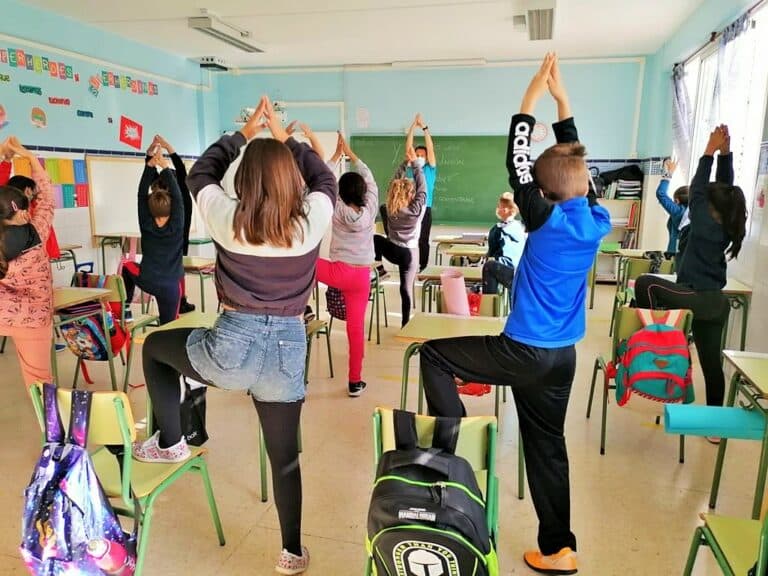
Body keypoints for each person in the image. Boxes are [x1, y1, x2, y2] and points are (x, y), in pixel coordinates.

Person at [417, 53, 611, 575]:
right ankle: (559, 549)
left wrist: (532, 96)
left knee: (433, 356)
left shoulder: (545, 218)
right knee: (548, 448)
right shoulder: (595, 218)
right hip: (562, 358)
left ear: (540, 196)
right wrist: (562, 103)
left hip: (522, 350)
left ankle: (452, 456)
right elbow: (573, 170)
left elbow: (517, 160)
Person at [132, 96, 336, 575]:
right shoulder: (309, 221)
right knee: (284, 457)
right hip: (287, 350)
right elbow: (325, 179)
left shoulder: (228, 218)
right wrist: (286, 139)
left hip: (230, 348)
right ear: (290, 177)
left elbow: (201, 172)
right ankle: (291, 552)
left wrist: (244, 134)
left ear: (243, 180)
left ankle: (171, 440)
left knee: (156, 347)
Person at [635, 125, 747, 420]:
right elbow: (723, 188)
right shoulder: (726, 222)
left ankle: (656, 340)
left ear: (710, 208)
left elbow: (698, 188)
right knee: (711, 365)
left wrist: (709, 151)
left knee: (645, 284)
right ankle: (715, 424)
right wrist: (725, 155)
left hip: (695, 296)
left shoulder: (702, 221)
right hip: (715, 302)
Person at [318, 132, 378, 397]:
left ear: (340, 192)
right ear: (363, 192)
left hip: (338, 272)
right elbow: (370, 177)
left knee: (300, 263)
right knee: (355, 330)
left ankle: (299, 308)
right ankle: (355, 382)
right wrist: (352, 155)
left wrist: (335, 156)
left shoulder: (336, 207)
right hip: (362, 276)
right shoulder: (371, 207)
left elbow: (323, 180)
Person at [0, 136, 55, 386]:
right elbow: (47, 200)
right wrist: (30, 157)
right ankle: (48, 414)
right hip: (33, 321)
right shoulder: (37, 231)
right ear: (23, 212)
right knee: (40, 382)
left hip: (3, 314)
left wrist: (3, 159)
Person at [121, 148, 185, 325]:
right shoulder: (177, 224)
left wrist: (149, 166)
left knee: (126, 266)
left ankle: (125, 308)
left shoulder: (146, 223)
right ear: (172, 208)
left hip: (147, 281)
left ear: (150, 209)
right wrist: (165, 166)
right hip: (171, 287)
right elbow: (178, 197)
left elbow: (141, 194)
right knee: (168, 327)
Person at [373, 147, 426, 327]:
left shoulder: (390, 207)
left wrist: (405, 163)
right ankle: (405, 323)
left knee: (376, 239)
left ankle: (379, 267)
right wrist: (416, 165)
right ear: (411, 195)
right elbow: (423, 188)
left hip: (393, 251)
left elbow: (393, 184)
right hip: (409, 255)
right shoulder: (415, 210)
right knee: (406, 288)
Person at [148, 135, 196, 314]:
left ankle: (173, 300)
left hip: (161, 247)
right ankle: (180, 301)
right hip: (180, 244)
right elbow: (181, 169)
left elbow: (149, 175)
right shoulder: (181, 202)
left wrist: (151, 154)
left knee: (167, 271)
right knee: (178, 271)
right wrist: (168, 147)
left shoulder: (156, 201)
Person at [407, 113, 437, 271]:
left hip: (426, 208)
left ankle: (423, 266)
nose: (419, 157)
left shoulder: (430, 168)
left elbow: (430, 148)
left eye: (422, 155)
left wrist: (424, 127)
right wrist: (413, 126)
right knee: (410, 239)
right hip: (411, 208)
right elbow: (408, 147)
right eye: (417, 155)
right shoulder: (411, 168)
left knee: (423, 239)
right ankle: (411, 264)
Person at [482, 192, 526, 295]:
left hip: (508, 272)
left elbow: (491, 253)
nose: (497, 209)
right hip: (521, 272)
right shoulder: (521, 227)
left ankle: (489, 302)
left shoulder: (497, 229)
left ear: (506, 210)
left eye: (499, 206)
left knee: (488, 267)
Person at [654, 158, 688, 254]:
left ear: (677, 200)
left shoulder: (678, 212)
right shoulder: (694, 212)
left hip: (675, 255)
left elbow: (661, 193)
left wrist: (670, 173)